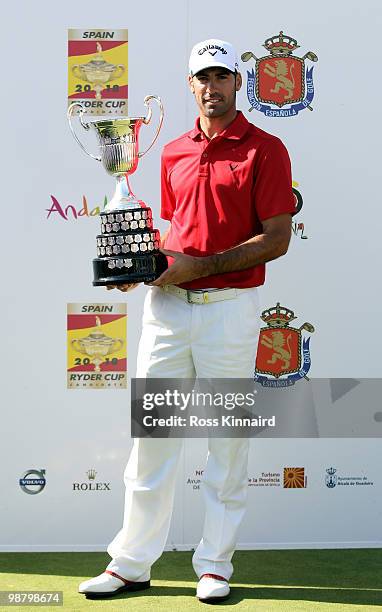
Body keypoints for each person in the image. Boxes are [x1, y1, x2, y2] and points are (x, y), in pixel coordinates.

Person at [79, 38, 295, 604]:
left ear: (237, 84)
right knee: (152, 441)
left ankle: (215, 565)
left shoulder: (267, 149)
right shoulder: (172, 151)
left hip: (230, 310)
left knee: (227, 444)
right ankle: (130, 563)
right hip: (168, 310)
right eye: (202, 78)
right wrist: (140, 268)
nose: (212, 87)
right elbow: (174, 233)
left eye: (221, 77)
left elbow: (277, 240)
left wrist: (206, 266)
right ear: (191, 85)